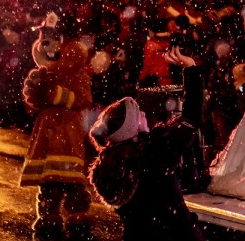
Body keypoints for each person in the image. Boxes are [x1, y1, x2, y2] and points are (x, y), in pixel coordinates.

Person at [20, 13, 94, 240]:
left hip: (68, 134)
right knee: (49, 185)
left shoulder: (76, 71)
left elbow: (83, 99)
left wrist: (54, 95)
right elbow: (33, 106)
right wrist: (33, 94)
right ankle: (49, 221)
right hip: (48, 134)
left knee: (72, 185)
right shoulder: (45, 72)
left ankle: (77, 221)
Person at [88, 97, 206, 241]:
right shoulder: (154, 152)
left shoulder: (115, 165)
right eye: (138, 115)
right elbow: (191, 119)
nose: (143, 114)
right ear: (132, 130)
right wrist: (192, 75)